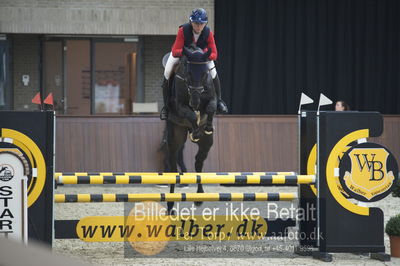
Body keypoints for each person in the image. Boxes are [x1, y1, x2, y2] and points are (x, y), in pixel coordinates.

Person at [160, 8, 228, 120]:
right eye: (196, 23)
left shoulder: (208, 33)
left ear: (205, 23)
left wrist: (202, 55)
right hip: (182, 55)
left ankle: (219, 101)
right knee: (167, 72)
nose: (199, 27)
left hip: (200, 58)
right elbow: (176, 50)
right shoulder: (183, 30)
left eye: (202, 24)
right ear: (191, 22)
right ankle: (166, 107)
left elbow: (214, 54)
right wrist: (188, 54)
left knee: (213, 71)